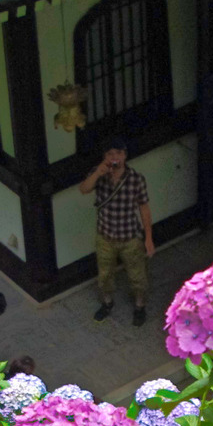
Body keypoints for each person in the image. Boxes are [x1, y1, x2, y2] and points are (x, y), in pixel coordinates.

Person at [77, 136, 153, 326]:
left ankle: (140, 306)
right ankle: (107, 303)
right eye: (110, 154)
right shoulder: (98, 174)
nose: (115, 157)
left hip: (130, 237)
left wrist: (148, 238)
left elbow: (144, 208)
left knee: (138, 276)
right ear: (104, 157)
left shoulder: (136, 178)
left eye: (118, 153)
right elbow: (84, 189)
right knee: (104, 275)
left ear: (125, 156)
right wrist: (98, 173)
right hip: (105, 236)